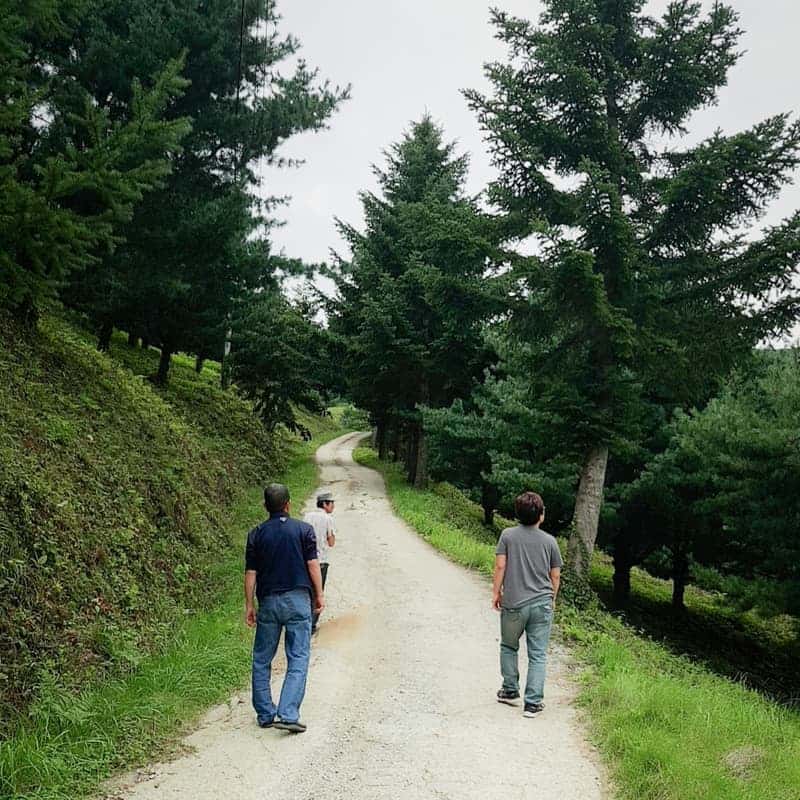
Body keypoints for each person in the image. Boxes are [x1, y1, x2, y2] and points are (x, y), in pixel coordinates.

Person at [244, 483, 324, 733]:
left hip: (268, 602)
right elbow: (313, 565)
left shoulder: (256, 534)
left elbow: (251, 573)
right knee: (298, 656)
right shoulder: (303, 530)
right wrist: (319, 595)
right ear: (288, 504)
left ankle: (265, 714)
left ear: (265, 506)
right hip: (298, 600)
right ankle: (288, 714)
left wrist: (249, 605)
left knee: (262, 658)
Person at [492, 491, 562, 717]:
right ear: (541, 515)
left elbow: (500, 566)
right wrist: (552, 599)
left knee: (508, 646)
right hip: (542, 603)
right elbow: (555, 575)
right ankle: (533, 703)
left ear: (518, 514)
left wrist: (496, 592)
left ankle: (510, 690)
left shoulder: (507, 536)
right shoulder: (550, 542)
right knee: (538, 654)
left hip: (513, 603)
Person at [303, 492, 336, 633]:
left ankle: (303, 620)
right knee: (318, 591)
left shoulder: (307, 516)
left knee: (306, 591)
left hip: (305, 560)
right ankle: (312, 624)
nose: (333, 506)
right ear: (325, 504)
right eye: (331, 503)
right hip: (320, 560)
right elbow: (331, 542)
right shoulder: (328, 519)